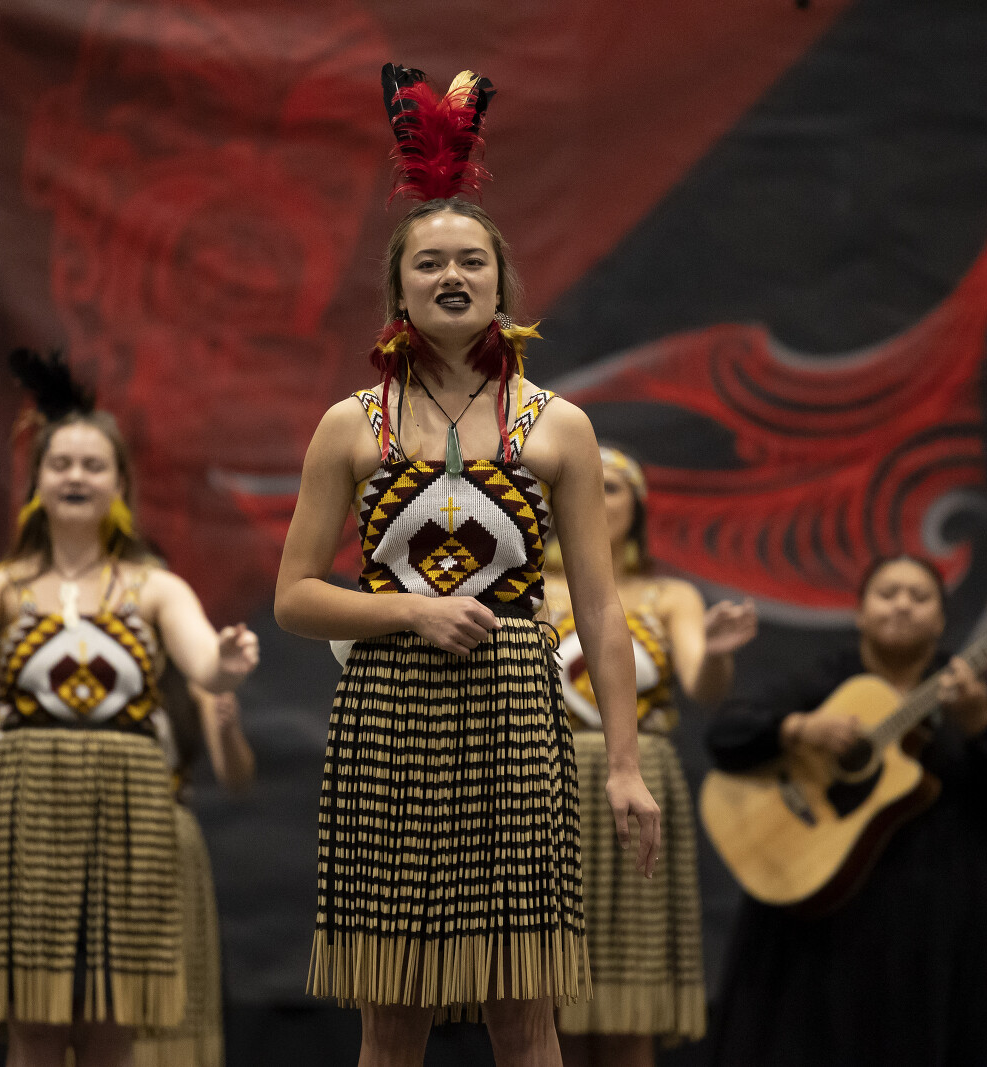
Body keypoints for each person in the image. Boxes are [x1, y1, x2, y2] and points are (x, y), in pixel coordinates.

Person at [274, 65, 661, 1067]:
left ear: (500, 284)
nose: (452, 276)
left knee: (523, 1008)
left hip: (517, 712)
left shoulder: (558, 427)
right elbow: (295, 597)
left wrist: (622, 763)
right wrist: (410, 613)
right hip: (386, 717)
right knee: (391, 1013)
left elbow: (601, 609)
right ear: (397, 288)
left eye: (471, 262)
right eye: (429, 262)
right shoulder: (351, 426)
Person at [0, 352, 258, 1067]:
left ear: (119, 484)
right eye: (60, 463)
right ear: (36, 480)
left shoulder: (154, 587)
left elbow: (202, 662)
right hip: (28, 798)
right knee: (35, 1022)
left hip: (130, 803)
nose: (75, 476)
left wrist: (226, 663)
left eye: (93, 465)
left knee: (110, 1022)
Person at [706, 556, 987, 1067]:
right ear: (860, 613)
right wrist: (797, 729)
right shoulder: (829, 680)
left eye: (919, 596)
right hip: (827, 919)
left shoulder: (970, 690)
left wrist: (979, 726)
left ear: (941, 620)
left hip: (939, 918)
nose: (902, 604)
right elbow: (725, 735)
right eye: (887, 594)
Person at [543, 447, 756, 1065]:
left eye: (611, 487)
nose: (595, 497)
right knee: (542, 993)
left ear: (637, 507)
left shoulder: (669, 595)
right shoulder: (527, 586)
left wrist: (717, 655)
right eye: (583, 484)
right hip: (542, 778)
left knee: (629, 990)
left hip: (635, 779)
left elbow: (702, 686)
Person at [133, 681, 256, 1067]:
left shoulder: (192, 674)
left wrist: (227, 729)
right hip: (93, 837)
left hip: (167, 848)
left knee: (176, 996)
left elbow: (236, 776)